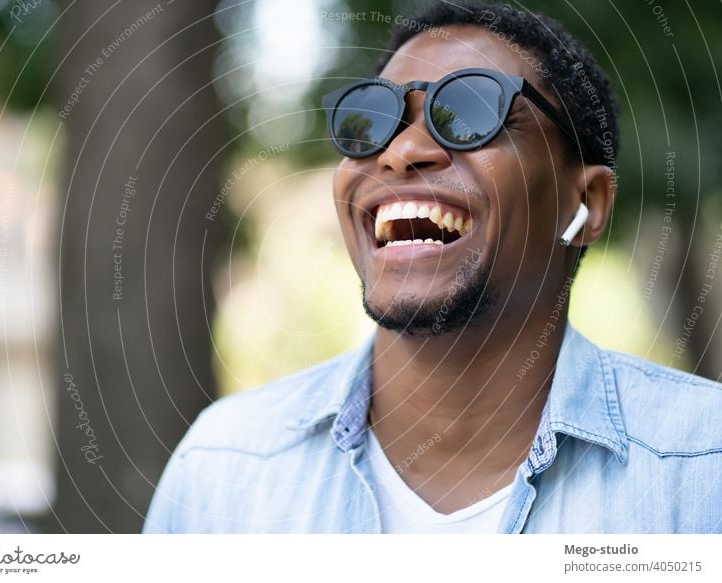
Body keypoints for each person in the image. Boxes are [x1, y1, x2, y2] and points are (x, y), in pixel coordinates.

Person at [143, 1, 722, 533]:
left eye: (471, 109)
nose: (399, 151)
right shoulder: (223, 469)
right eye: (370, 119)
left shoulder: (702, 469)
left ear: (587, 203)